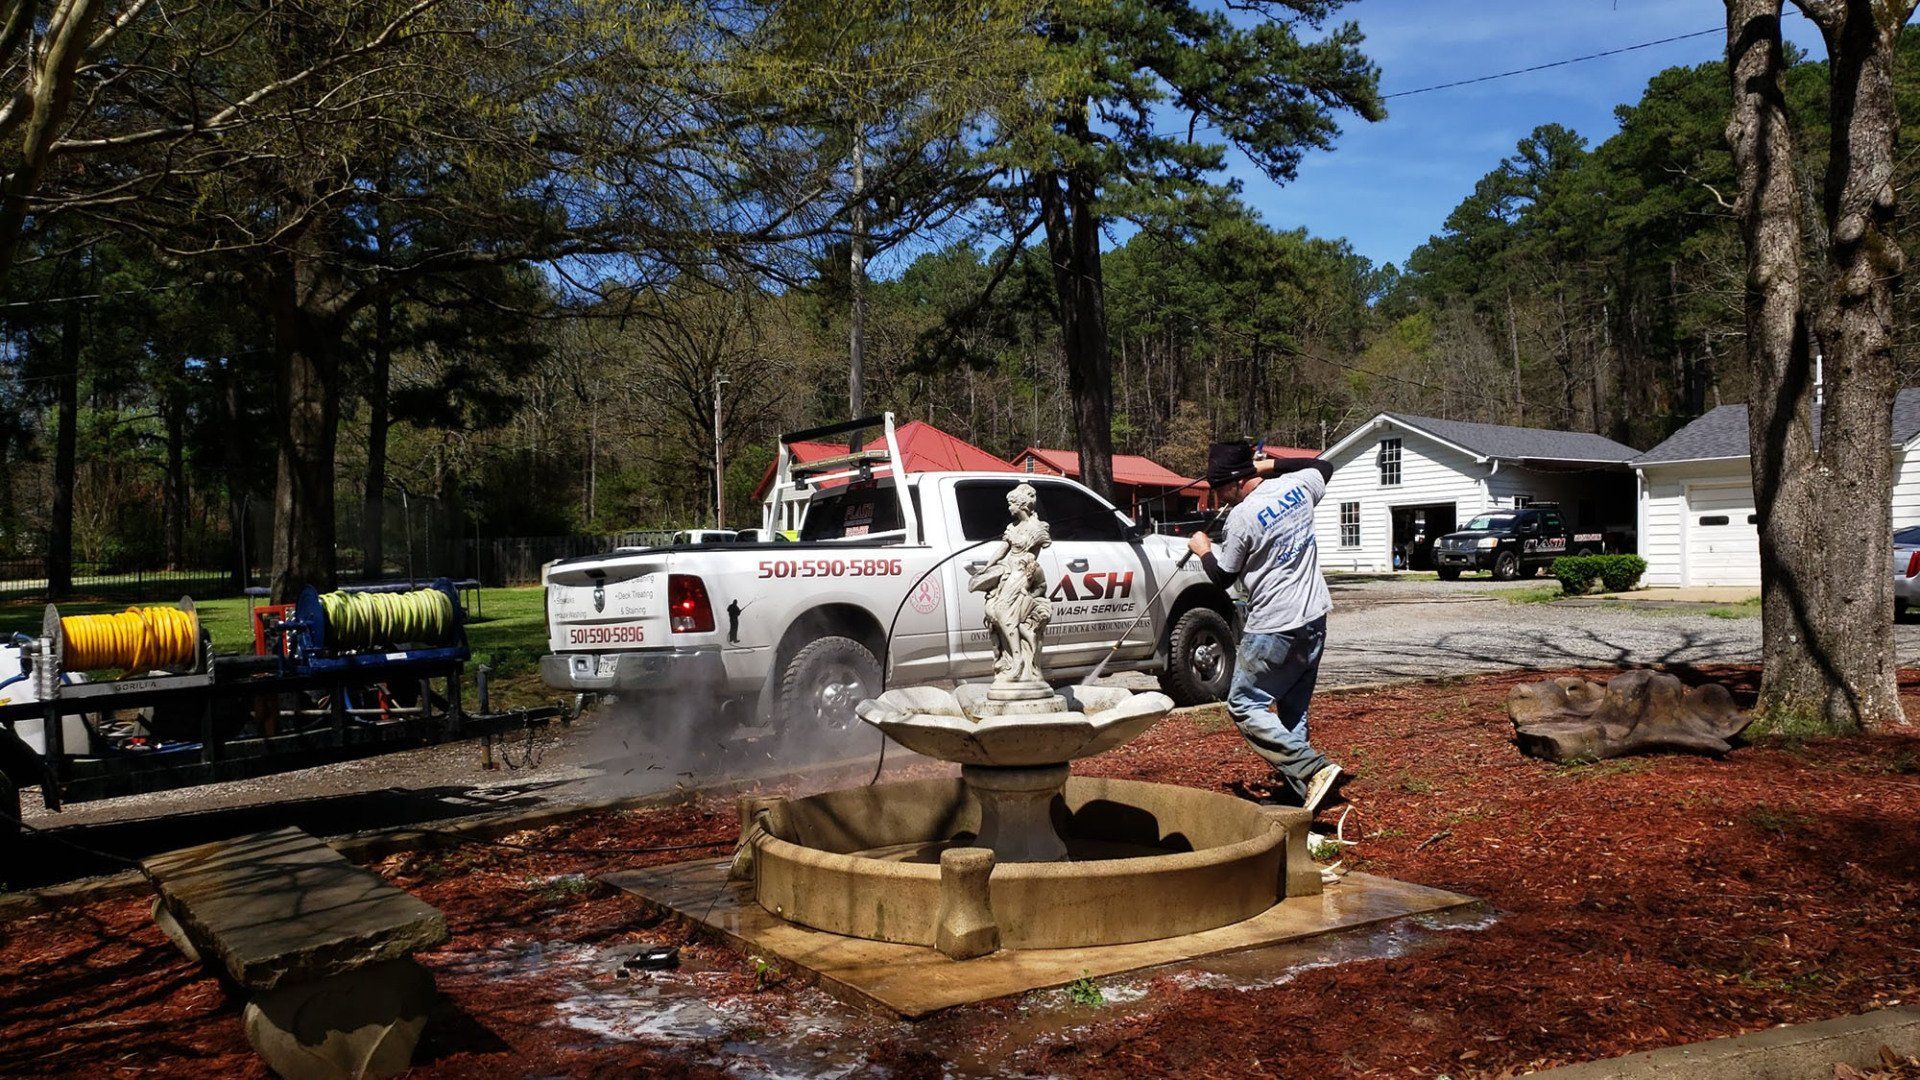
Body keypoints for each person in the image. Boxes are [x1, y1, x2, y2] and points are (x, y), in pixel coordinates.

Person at [1187, 439, 1345, 813]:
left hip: (1273, 625)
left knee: (1243, 703)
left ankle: (1315, 768)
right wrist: (1269, 466)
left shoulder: (1242, 518)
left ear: (1232, 482)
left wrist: (1202, 549)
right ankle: (1301, 794)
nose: (1218, 497)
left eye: (1218, 488)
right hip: (1314, 617)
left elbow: (1224, 577)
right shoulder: (1299, 487)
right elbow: (1324, 467)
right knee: (1292, 708)